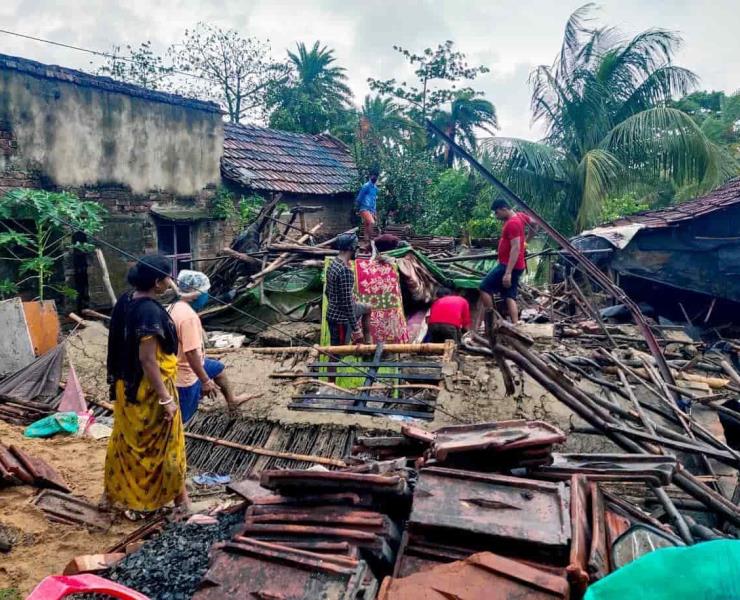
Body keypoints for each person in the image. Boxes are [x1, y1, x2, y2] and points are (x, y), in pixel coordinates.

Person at [104, 254, 188, 516]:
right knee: (167, 445)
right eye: (166, 277)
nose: (169, 282)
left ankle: (109, 496)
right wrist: (166, 399)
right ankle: (180, 502)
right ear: (157, 282)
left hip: (125, 385)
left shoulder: (125, 301)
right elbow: (148, 360)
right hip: (149, 391)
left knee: (125, 442)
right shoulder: (150, 312)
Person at [168, 270, 252, 423]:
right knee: (182, 418)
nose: (207, 295)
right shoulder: (188, 317)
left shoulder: (174, 307)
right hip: (184, 373)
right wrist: (205, 380)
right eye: (205, 292)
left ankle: (232, 400)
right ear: (196, 293)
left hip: (182, 363)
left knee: (218, 369)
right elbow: (191, 353)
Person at [475, 198, 533, 329]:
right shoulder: (520, 216)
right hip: (517, 265)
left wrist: (507, 273)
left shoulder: (513, 223)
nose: (496, 216)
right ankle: (515, 323)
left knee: (483, 287)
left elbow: (516, 248)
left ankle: (492, 319)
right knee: (509, 294)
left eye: (497, 212)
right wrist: (527, 240)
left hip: (508, 265)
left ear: (504, 209)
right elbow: (535, 224)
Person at [326, 233, 371, 346]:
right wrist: (356, 329)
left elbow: (327, 291)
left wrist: (333, 306)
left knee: (368, 307)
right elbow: (346, 304)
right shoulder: (345, 271)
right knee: (337, 353)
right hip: (340, 319)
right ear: (351, 247)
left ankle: (368, 344)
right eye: (356, 246)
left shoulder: (334, 264)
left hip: (333, 313)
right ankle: (360, 341)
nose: (357, 249)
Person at [356, 170, 379, 248]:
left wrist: (374, 211)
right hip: (364, 208)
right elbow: (359, 197)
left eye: (376, 176)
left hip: (371, 209)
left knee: (367, 225)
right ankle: (371, 240)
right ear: (370, 176)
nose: (374, 177)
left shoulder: (375, 188)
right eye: (373, 176)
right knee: (372, 222)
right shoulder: (366, 186)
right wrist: (358, 208)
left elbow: (374, 200)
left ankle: (366, 242)